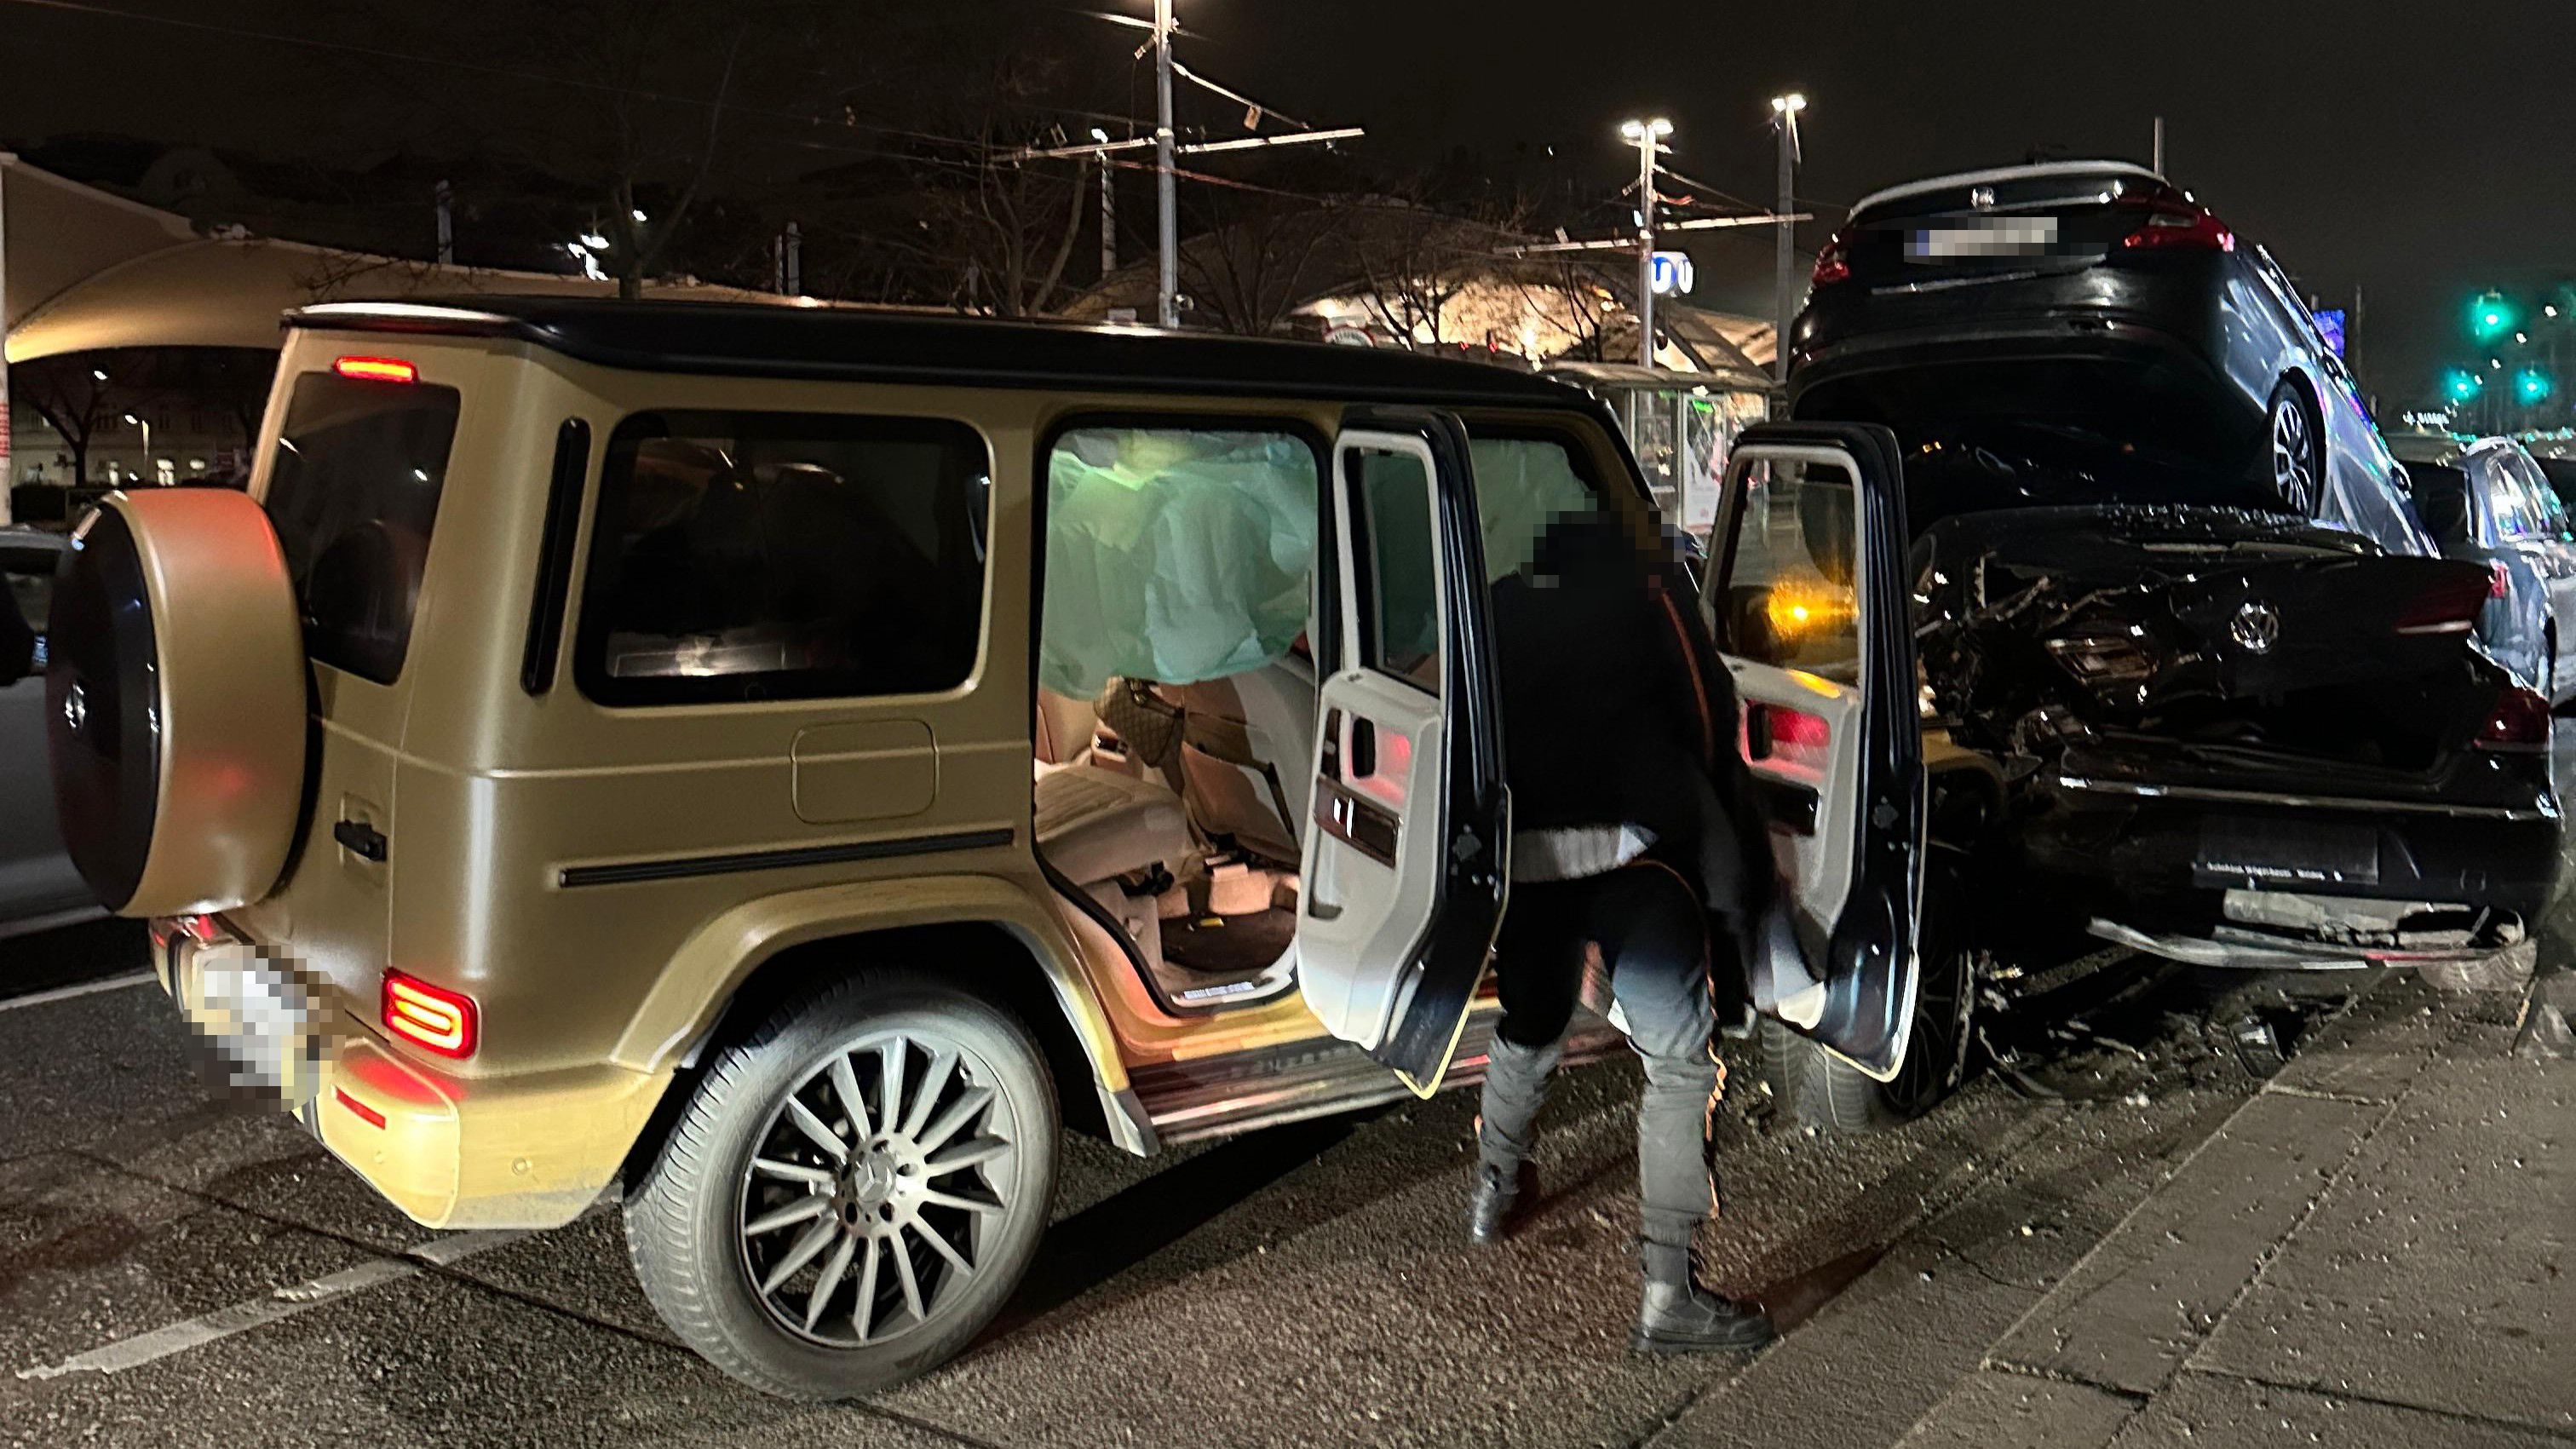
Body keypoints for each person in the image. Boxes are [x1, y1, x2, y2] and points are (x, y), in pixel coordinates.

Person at [1466, 504, 1778, 1355]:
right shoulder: (1651, 600)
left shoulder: (1490, 605)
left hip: (1524, 864)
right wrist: (1732, 894)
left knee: (1529, 1024)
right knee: (1679, 1065)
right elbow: (1711, 714)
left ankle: (1495, 1190)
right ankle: (1668, 1295)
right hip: (1639, 863)